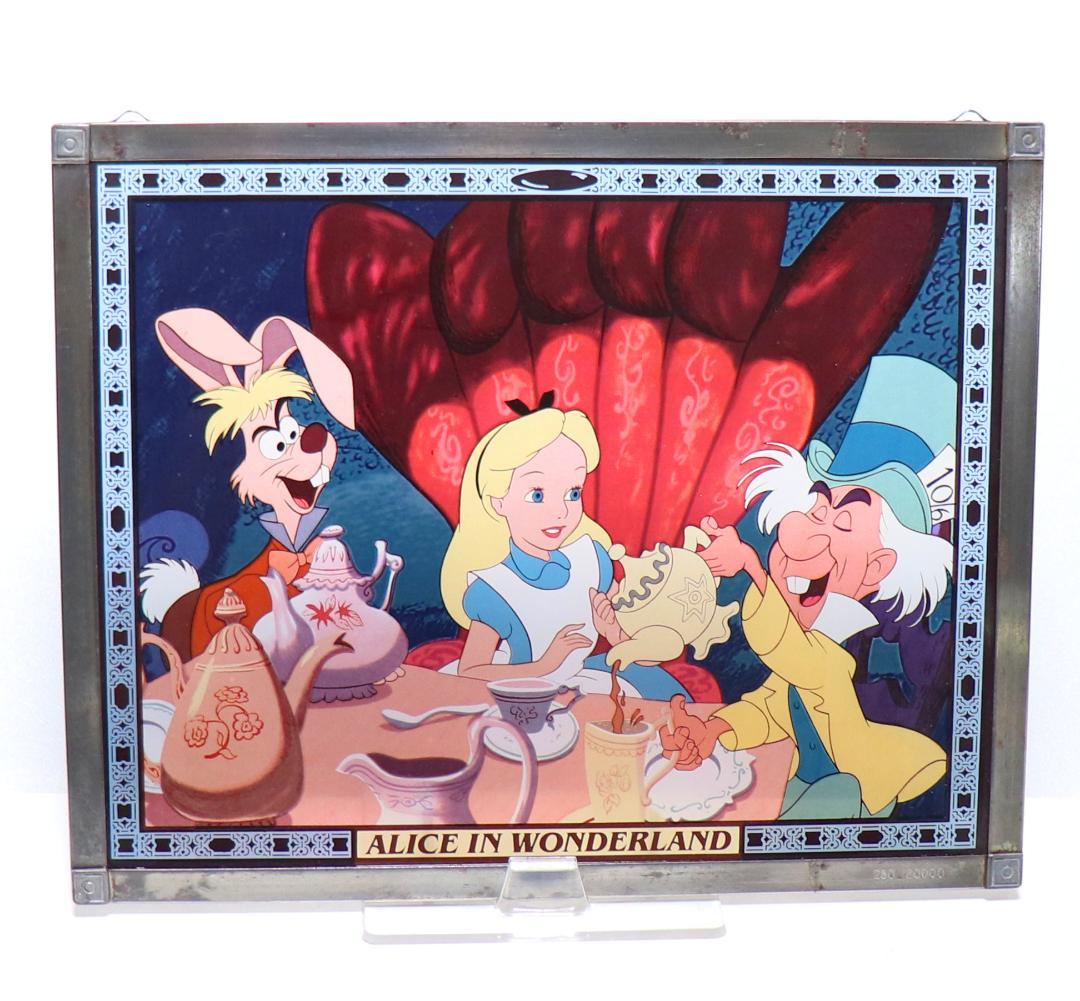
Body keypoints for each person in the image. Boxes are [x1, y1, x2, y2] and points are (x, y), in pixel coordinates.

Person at [660, 356, 955, 819]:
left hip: (852, 805)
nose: (805, 534)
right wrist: (714, 729)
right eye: (818, 510)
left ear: (878, 567)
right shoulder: (810, 643)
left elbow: (800, 660)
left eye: (844, 523)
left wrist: (751, 569)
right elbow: (770, 709)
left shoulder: (838, 653)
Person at [439, 401, 687, 699]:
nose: (560, 512)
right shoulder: (494, 588)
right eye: (537, 495)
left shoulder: (591, 558)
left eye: (573, 493)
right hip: (520, 692)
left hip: (580, 681)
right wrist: (544, 665)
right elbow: (470, 671)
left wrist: (613, 631)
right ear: (498, 501)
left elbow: (639, 644)